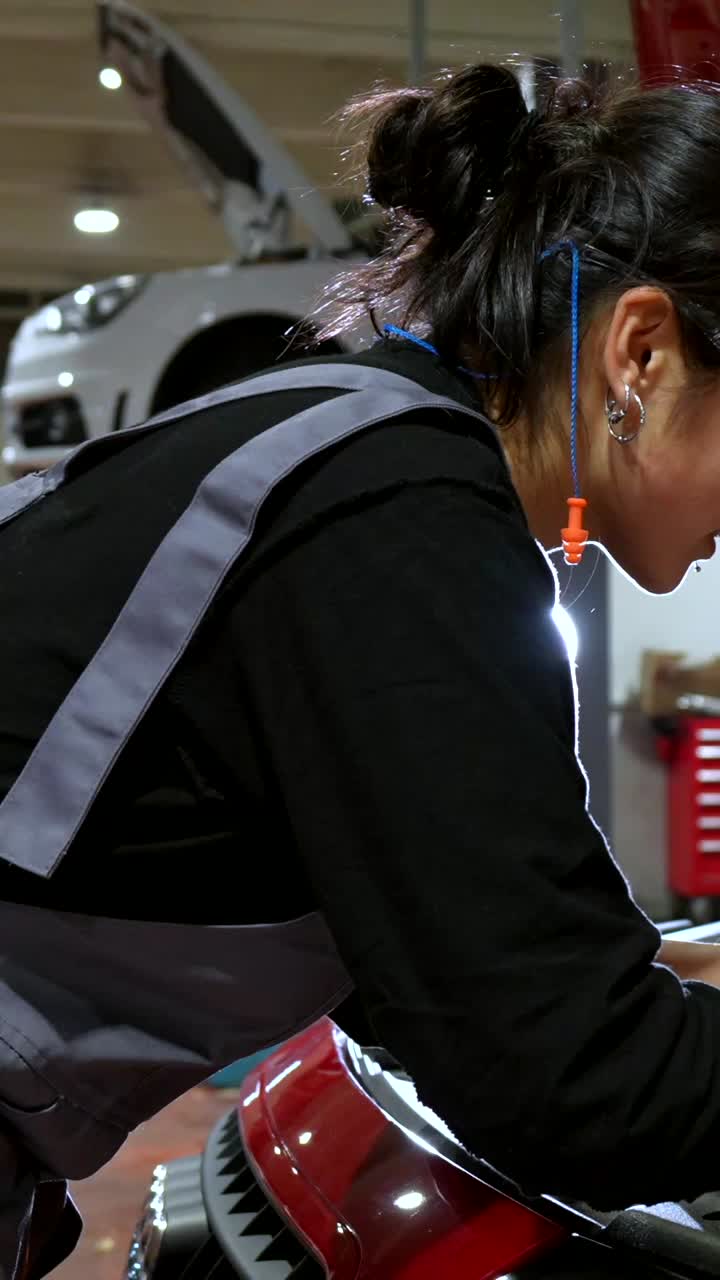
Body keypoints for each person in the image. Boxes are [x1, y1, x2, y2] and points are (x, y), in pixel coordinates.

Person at [2, 61, 720, 1277]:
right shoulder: (401, 515)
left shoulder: (356, 449)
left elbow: (444, 963)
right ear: (641, 350)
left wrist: (659, 967)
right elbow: (570, 1076)